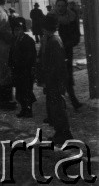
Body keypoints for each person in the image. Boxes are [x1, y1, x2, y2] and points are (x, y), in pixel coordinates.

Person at [40, 13, 73, 145]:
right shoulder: (50, 39)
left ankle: (64, 133)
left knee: (58, 107)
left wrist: (55, 81)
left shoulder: (54, 41)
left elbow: (59, 65)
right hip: (51, 80)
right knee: (54, 107)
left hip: (55, 80)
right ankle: (60, 132)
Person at [55, 0, 82, 110]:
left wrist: (68, 44)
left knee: (67, 75)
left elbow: (76, 36)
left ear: (66, 7)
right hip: (54, 51)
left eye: (63, 6)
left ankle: (72, 98)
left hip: (66, 51)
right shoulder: (51, 17)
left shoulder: (71, 18)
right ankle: (57, 103)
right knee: (55, 77)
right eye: (58, 6)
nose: (60, 8)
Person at [9, 17, 37, 118]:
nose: (17, 32)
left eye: (19, 29)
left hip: (26, 70)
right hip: (17, 70)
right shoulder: (14, 40)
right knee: (19, 92)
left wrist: (29, 68)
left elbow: (31, 56)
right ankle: (24, 108)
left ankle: (28, 110)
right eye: (15, 30)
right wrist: (10, 65)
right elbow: (11, 54)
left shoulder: (28, 40)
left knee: (27, 91)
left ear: (23, 29)